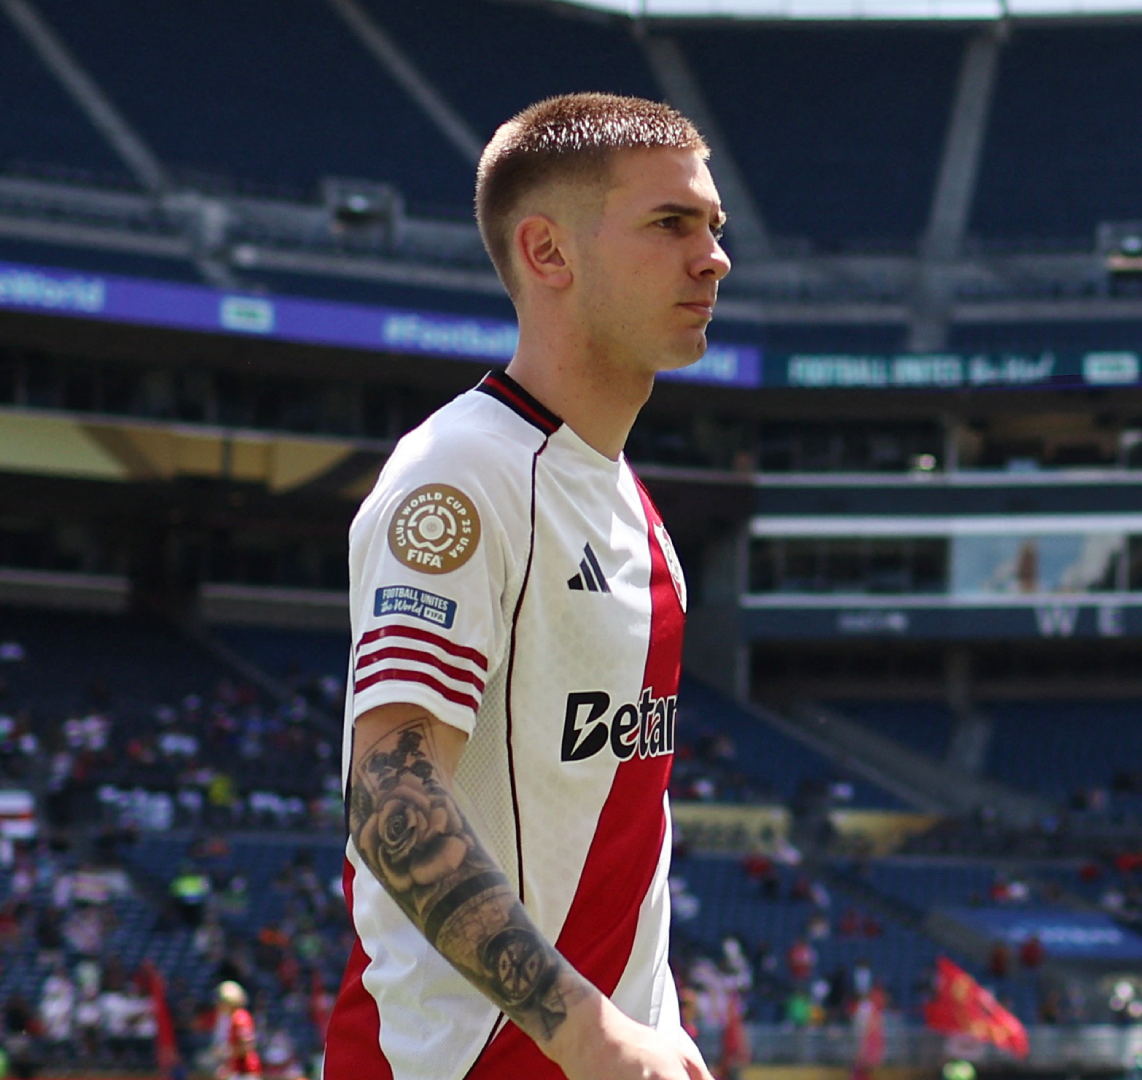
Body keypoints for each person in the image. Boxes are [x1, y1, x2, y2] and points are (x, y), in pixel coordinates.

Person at [324, 93, 729, 1080]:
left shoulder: (633, 507)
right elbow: (388, 795)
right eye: (671, 224)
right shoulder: (464, 472)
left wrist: (653, 1026)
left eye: (715, 227)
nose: (713, 257)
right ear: (548, 252)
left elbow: (619, 827)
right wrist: (587, 1035)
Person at [214, 981, 261, 1080]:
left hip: (245, 1071)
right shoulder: (234, 1017)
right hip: (240, 1071)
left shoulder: (240, 1018)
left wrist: (226, 1052)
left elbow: (246, 1046)